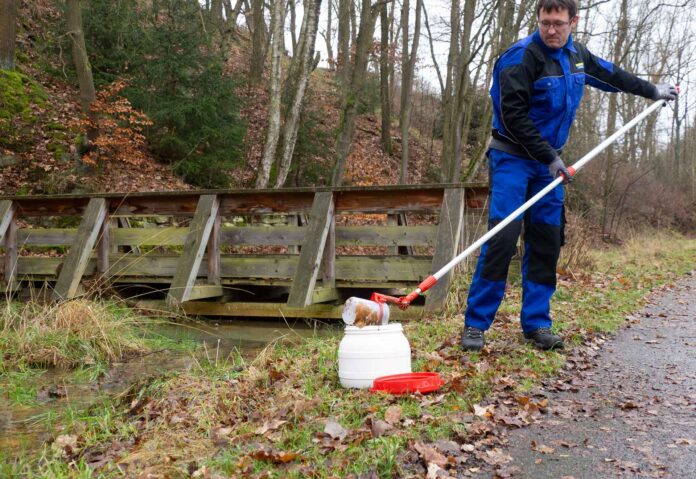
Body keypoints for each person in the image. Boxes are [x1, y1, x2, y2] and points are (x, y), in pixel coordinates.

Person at [461, 0, 678, 351]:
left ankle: (536, 323)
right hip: (513, 158)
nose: (551, 30)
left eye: (559, 23)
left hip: (549, 166)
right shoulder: (519, 58)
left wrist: (652, 91)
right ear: (538, 20)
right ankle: (475, 324)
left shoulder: (576, 56)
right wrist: (550, 157)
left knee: (546, 240)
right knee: (502, 238)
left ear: (573, 21)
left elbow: (612, 76)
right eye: (545, 22)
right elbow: (514, 117)